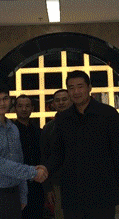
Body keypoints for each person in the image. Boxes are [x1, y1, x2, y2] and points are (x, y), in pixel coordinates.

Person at [47, 70, 119, 219]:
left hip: (102, 194)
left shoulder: (108, 114)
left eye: (80, 86)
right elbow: (57, 154)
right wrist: (44, 171)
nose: (76, 92)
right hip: (73, 195)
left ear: (89, 88)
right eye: (71, 88)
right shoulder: (63, 119)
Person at [0, 82, 48, 219]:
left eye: (5, 98)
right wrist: (33, 172)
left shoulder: (13, 128)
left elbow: (19, 160)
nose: (2, 103)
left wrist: (23, 195)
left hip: (14, 195)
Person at [40, 89, 72, 219]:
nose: (61, 103)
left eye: (64, 99)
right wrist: (47, 188)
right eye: (57, 100)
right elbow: (44, 157)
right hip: (58, 182)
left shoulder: (82, 123)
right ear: (53, 104)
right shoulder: (49, 128)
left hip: (83, 181)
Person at [14, 95, 45, 219]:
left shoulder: (39, 131)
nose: (24, 109)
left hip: (37, 183)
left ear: (32, 108)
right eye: (20, 106)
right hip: (17, 184)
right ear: (15, 109)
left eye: (27, 106)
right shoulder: (10, 131)